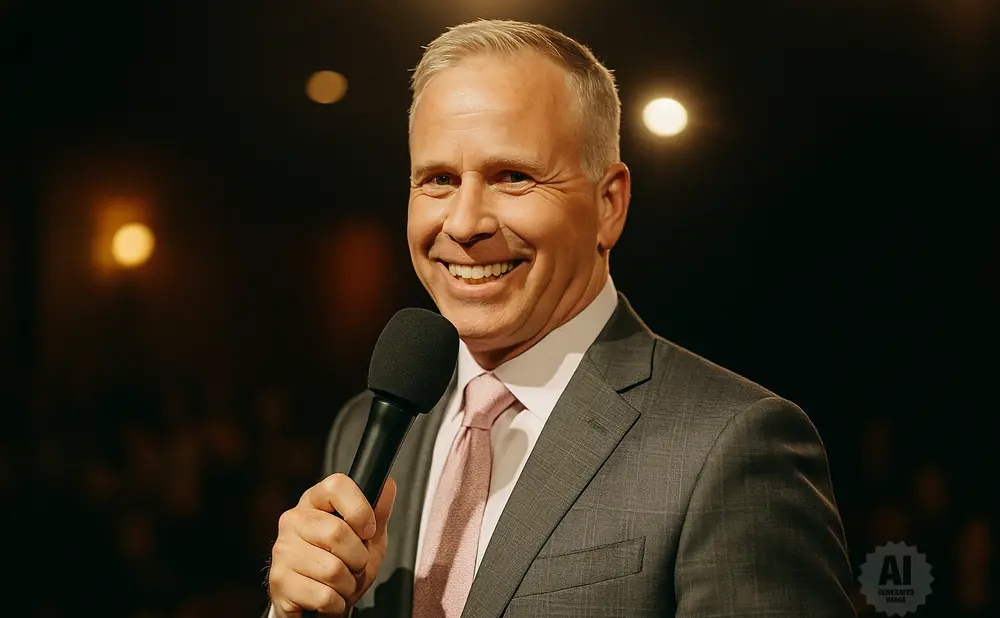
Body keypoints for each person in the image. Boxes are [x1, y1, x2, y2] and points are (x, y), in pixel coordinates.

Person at [265, 19, 856, 618]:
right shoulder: (366, 429)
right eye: (439, 180)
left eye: (513, 177)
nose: (465, 223)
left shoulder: (732, 445)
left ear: (609, 205)